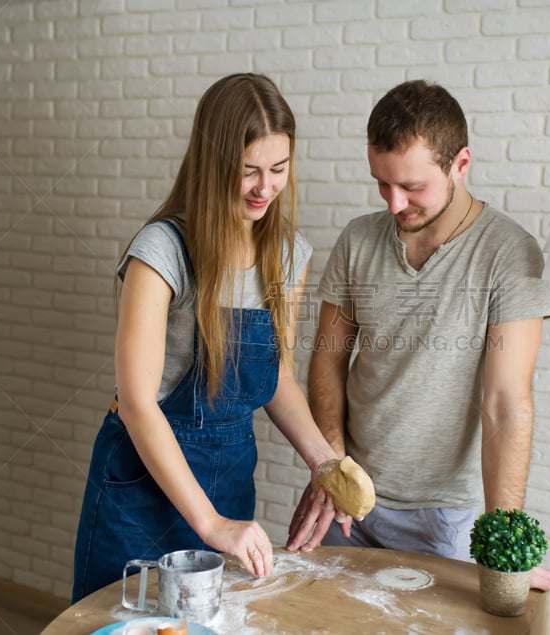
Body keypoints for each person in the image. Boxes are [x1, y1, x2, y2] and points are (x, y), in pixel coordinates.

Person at [72, 73, 345, 601]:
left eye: (278, 169)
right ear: (212, 164)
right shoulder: (162, 251)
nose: (265, 187)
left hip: (230, 478)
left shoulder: (288, 256)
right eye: (248, 172)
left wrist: (324, 462)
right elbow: (136, 404)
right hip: (141, 486)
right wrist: (211, 524)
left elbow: (277, 375)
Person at [286, 79, 550, 593]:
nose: (394, 203)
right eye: (381, 183)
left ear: (461, 164)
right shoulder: (358, 240)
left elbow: (506, 404)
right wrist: (331, 462)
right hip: (349, 495)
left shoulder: (508, 254)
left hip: (443, 520)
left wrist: (503, 542)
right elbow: (327, 359)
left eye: (412, 187)